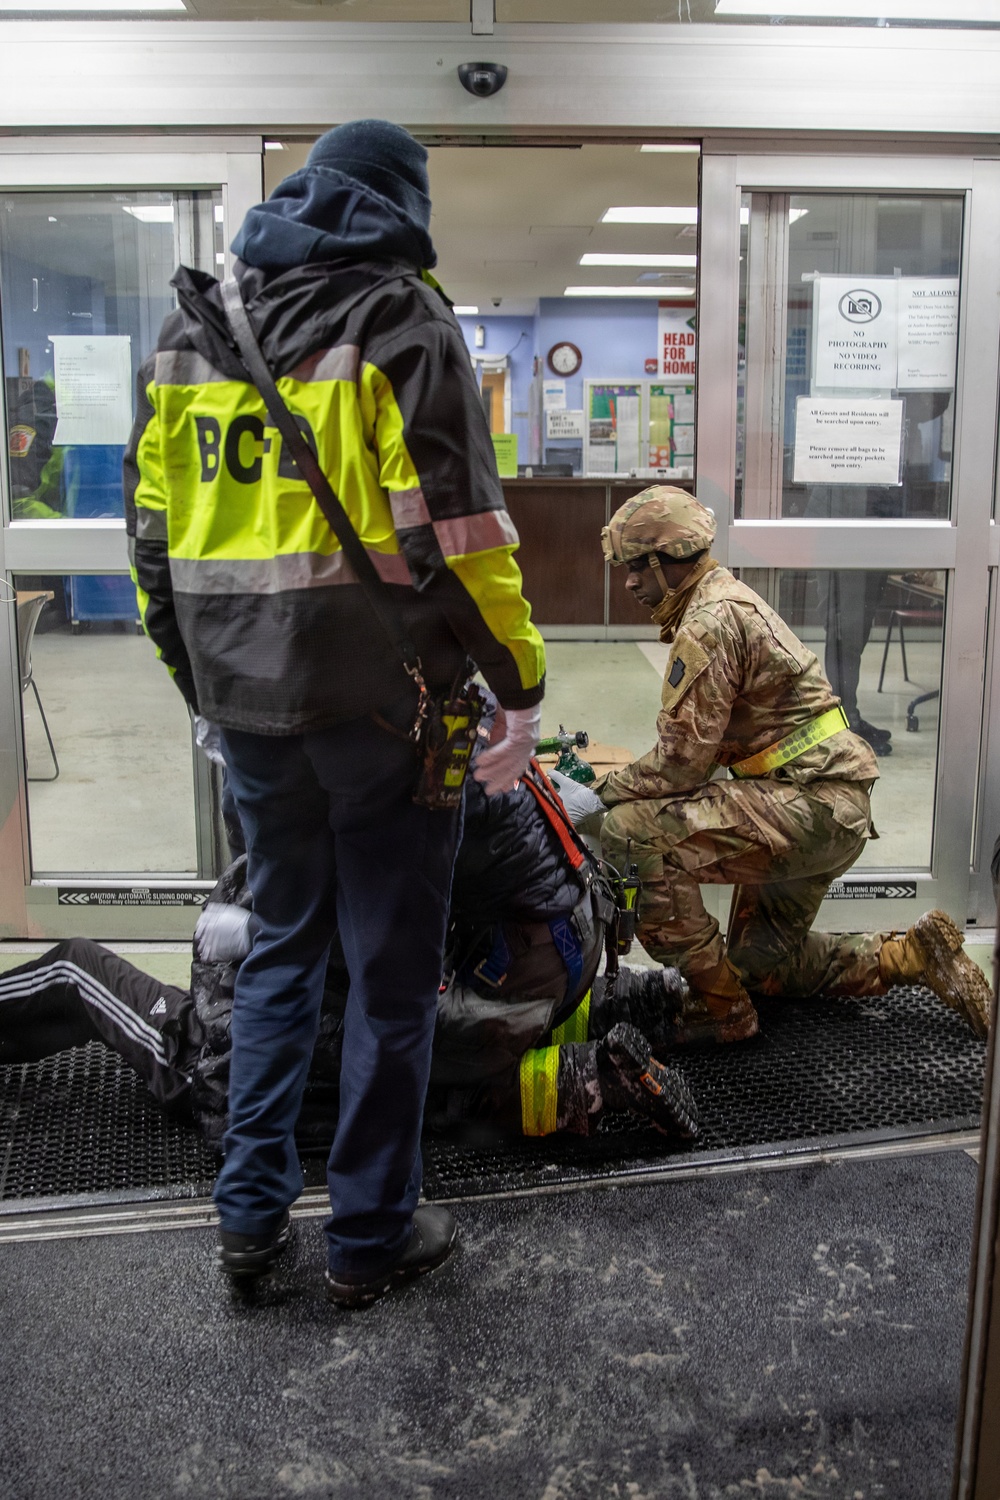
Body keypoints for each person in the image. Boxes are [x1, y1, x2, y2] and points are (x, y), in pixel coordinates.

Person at [124, 119, 547, 1307]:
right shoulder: (398, 317)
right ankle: (368, 1234)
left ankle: (248, 1222)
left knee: (278, 955)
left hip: (249, 713)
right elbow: (465, 537)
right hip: (385, 715)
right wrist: (518, 680)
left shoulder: (192, 333)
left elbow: (150, 541)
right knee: (393, 976)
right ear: (396, 204)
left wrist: (195, 685)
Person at [0, 770, 698, 1161]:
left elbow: (233, 1017)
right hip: (526, 970)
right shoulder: (413, 774)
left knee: (72, 969)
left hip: (242, 1074)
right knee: (427, 1067)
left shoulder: (281, 891)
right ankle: (609, 1016)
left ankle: (588, 1071)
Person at [594, 485, 993, 1046]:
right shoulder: (725, 599)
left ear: (670, 561)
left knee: (631, 834)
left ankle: (721, 1011)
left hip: (810, 805)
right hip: (822, 805)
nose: (630, 581)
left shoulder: (708, 622)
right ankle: (912, 956)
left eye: (638, 565)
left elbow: (678, 769)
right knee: (766, 970)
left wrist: (596, 790)